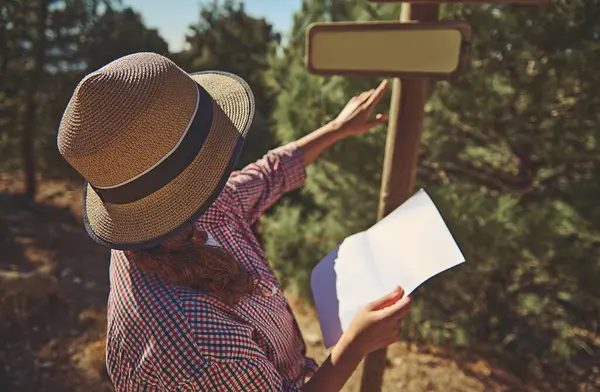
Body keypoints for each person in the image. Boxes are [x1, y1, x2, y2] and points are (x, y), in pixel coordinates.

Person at [57, 52, 413, 391]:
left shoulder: (163, 216)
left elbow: (269, 173)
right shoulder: (201, 347)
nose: (224, 159)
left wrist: (337, 128)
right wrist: (354, 344)